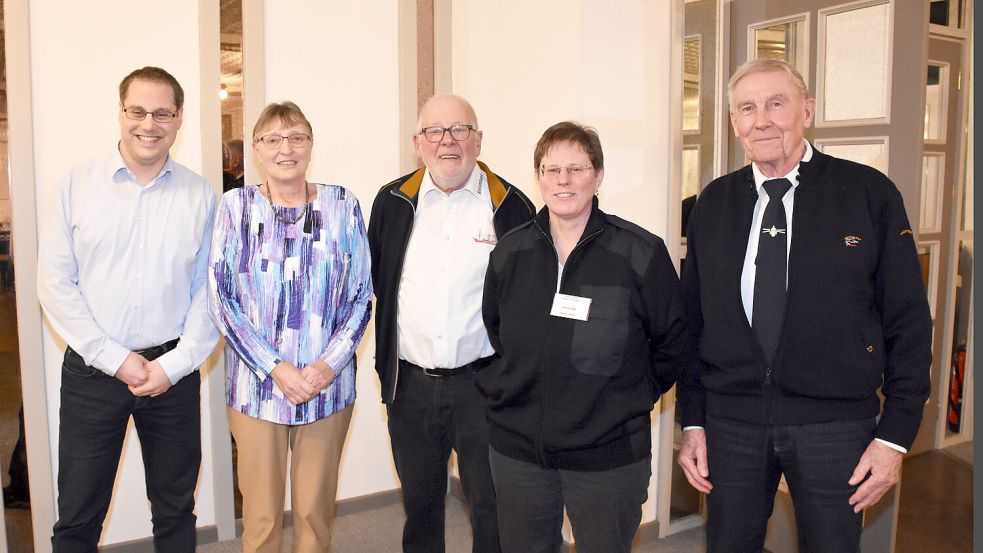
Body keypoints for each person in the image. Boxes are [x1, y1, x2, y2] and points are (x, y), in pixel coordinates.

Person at [676, 59, 932, 553]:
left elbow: (908, 322)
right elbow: (693, 324)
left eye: (777, 103)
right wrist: (694, 421)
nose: (762, 119)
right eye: (747, 108)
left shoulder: (867, 194)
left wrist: (895, 436)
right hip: (733, 424)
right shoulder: (713, 203)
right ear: (734, 123)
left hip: (836, 426)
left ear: (807, 111)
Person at [479, 122, 689, 553]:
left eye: (576, 168)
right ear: (537, 177)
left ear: (598, 175)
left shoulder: (638, 253)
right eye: (551, 169)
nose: (563, 180)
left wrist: (632, 395)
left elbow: (673, 342)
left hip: (607, 456)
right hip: (519, 452)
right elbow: (496, 329)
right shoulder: (509, 253)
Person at [36, 66, 219, 552]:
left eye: (162, 113)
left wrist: (174, 365)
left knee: (177, 511)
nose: (149, 123)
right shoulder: (77, 185)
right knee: (77, 515)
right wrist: (115, 358)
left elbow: (210, 294)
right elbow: (54, 283)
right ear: (120, 113)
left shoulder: (200, 196)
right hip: (93, 375)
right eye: (137, 111)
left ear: (179, 119)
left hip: (171, 375)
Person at [368, 94, 534, 553]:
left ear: (478, 140)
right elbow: (380, 282)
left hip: (484, 387)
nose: (448, 141)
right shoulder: (392, 202)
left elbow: (525, 303)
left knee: (491, 506)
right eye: (436, 131)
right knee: (420, 507)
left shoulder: (511, 206)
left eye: (460, 130)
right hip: (411, 387)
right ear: (417, 143)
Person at [208, 101, 372, 553]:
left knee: (315, 516)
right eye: (274, 139)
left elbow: (361, 296)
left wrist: (328, 366)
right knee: (260, 519)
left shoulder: (343, 205)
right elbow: (222, 300)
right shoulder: (235, 207)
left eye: (297, 137)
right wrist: (276, 368)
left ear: (311, 145)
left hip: (327, 388)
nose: (287, 148)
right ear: (257, 149)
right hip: (257, 390)